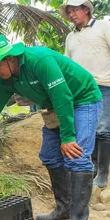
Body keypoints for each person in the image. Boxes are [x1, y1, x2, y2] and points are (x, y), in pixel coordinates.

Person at [0, 35, 102, 220]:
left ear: (9, 58)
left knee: (76, 156)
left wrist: (68, 137)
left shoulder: (39, 61)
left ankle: (79, 217)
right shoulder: (4, 81)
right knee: (50, 156)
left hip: (83, 98)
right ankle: (65, 209)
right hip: (56, 106)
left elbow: (63, 97)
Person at [60, 0, 110, 189]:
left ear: (86, 10)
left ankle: (103, 173)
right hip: (79, 90)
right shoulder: (70, 37)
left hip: (104, 84)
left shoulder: (104, 26)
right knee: (87, 130)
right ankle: (94, 168)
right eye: (69, 11)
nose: (72, 14)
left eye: (75, 10)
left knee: (103, 129)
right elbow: (66, 63)